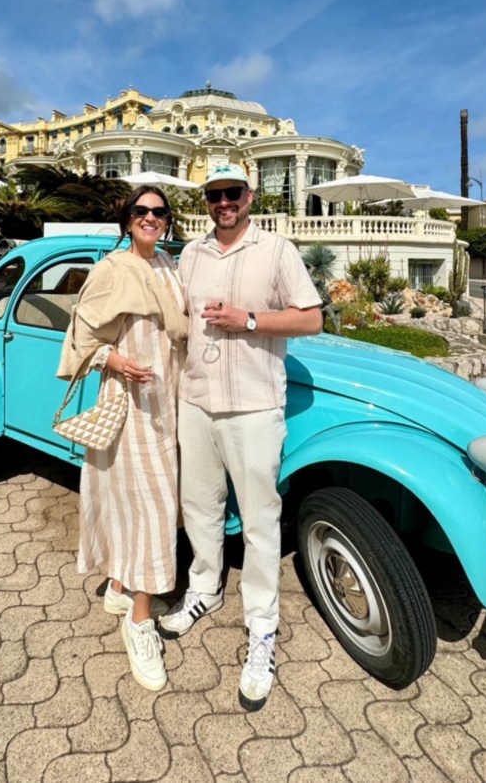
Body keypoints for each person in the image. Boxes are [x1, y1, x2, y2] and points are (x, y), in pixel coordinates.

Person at [159, 164, 323, 711]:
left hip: (253, 406)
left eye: (232, 193)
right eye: (215, 195)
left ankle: (262, 628)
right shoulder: (192, 254)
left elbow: (311, 320)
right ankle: (204, 589)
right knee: (199, 506)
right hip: (197, 400)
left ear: (249, 196)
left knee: (258, 520)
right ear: (207, 201)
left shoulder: (276, 250)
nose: (224, 202)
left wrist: (248, 320)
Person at [57, 187, 187, 692]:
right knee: (153, 504)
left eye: (159, 212)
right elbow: (81, 335)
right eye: (141, 211)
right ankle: (139, 619)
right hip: (130, 401)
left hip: (168, 401)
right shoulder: (113, 269)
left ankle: (118, 584)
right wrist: (115, 360)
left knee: (137, 499)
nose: (150, 218)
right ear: (128, 219)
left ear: (167, 220)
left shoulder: (169, 267)